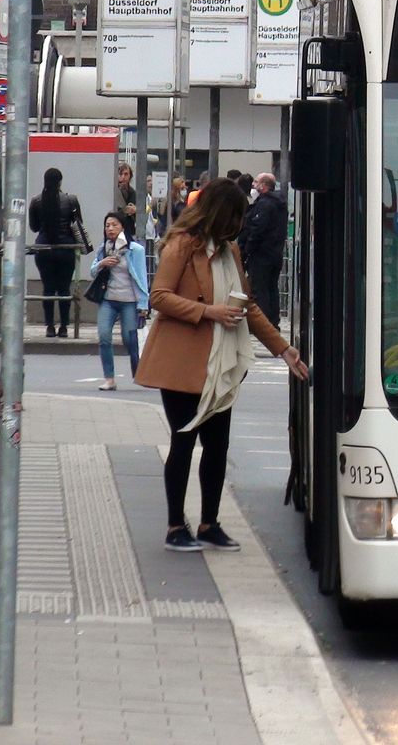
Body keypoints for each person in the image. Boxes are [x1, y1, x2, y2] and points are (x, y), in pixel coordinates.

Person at [135, 178, 308, 552]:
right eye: (237, 216)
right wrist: (208, 311)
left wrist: (283, 349)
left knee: (217, 445)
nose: (241, 224)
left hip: (221, 364)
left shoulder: (229, 250)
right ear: (221, 214)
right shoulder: (182, 245)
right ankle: (175, 526)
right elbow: (159, 296)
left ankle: (210, 524)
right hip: (182, 363)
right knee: (183, 443)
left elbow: (247, 306)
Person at [91, 212, 149, 391]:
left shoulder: (135, 250)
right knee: (104, 337)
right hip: (108, 299)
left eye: (114, 225)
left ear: (123, 227)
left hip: (129, 301)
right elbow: (92, 271)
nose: (110, 228)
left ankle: (141, 372)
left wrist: (143, 304)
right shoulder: (104, 248)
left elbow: (141, 277)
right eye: (107, 225)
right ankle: (109, 379)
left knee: (128, 338)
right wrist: (102, 264)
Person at [28, 167, 83, 338]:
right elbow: (78, 223)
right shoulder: (71, 200)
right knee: (65, 289)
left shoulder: (36, 201)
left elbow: (34, 227)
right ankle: (65, 327)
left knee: (48, 289)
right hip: (66, 249)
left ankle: (50, 326)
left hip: (44, 249)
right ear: (60, 181)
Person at [237, 172, 289, 326]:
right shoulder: (280, 204)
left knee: (260, 290)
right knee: (272, 288)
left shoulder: (265, 204)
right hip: (274, 253)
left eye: (256, 182)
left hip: (261, 254)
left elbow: (257, 229)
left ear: (264, 186)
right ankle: (273, 321)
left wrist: (247, 249)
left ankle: (262, 324)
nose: (253, 185)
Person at [115, 162, 137, 239]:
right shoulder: (113, 192)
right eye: (120, 174)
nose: (123, 177)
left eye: (126, 174)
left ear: (130, 176)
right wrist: (124, 210)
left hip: (130, 232)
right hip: (116, 232)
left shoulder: (133, 193)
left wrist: (135, 211)